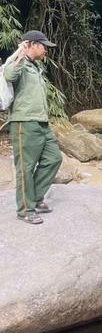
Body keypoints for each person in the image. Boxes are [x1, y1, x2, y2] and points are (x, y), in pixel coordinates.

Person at [3, 30, 62, 225]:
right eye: (43, 46)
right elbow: (10, 74)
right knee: (25, 168)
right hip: (24, 123)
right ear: (31, 44)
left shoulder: (36, 67)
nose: (46, 50)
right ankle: (25, 210)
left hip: (42, 123)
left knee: (54, 158)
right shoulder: (19, 63)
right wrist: (21, 52)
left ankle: (35, 198)